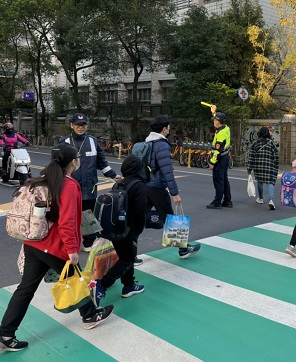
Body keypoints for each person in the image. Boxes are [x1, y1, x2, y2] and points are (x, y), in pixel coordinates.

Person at [0, 144, 114, 352]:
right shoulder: (69, 185)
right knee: (75, 279)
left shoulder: (42, 179)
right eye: (78, 157)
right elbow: (67, 221)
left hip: (33, 243)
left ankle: (5, 335)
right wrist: (72, 249)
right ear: (73, 161)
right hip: (55, 246)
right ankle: (90, 314)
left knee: (26, 289)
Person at [60, 113, 121, 251]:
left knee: (88, 214)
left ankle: (88, 243)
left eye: (83, 125)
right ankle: (68, 242)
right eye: (77, 125)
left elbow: (102, 162)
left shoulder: (93, 141)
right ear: (72, 125)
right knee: (69, 214)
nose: (80, 128)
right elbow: (57, 163)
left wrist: (113, 175)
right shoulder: (64, 142)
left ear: (87, 126)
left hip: (89, 186)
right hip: (69, 185)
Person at [92, 155, 148, 307]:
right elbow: (140, 212)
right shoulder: (139, 185)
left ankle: (129, 285)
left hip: (114, 228)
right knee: (127, 259)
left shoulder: (119, 183)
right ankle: (101, 285)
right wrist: (137, 231)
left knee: (125, 255)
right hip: (128, 230)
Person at [145, 116, 201, 259]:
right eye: (168, 127)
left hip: (145, 186)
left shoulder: (147, 142)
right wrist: (174, 193)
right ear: (164, 129)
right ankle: (183, 250)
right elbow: (167, 171)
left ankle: (126, 252)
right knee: (170, 219)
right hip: (157, 187)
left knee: (137, 218)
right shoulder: (162, 145)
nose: (169, 129)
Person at [247, 126, 279, 210]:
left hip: (258, 166)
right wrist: (276, 165)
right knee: (270, 182)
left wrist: (249, 168)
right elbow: (276, 155)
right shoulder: (271, 143)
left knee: (260, 181)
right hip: (269, 165)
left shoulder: (255, 143)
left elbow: (251, 156)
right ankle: (271, 200)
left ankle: (260, 198)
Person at [206, 105, 232, 209]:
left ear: (218, 122)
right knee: (224, 179)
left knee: (218, 180)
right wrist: (214, 112)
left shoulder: (221, 134)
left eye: (214, 120)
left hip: (220, 158)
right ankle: (227, 201)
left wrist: (212, 163)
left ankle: (217, 202)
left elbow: (217, 151)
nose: (213, 122)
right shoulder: (226, 128)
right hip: (225, 157)